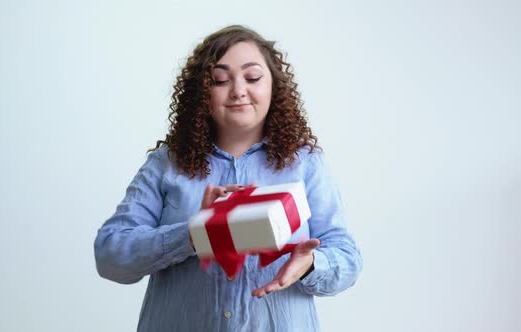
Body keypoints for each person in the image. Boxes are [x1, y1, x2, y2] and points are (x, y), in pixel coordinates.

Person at [94, 25, 363, 331]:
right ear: (202, 93)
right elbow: (110, 255)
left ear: (274, 85)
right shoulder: (166, 164)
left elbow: (347, 257)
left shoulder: (306, 163)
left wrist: (311, 265)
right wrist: (195, 234)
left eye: (253, 78)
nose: (238, 90)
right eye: (221, 80)